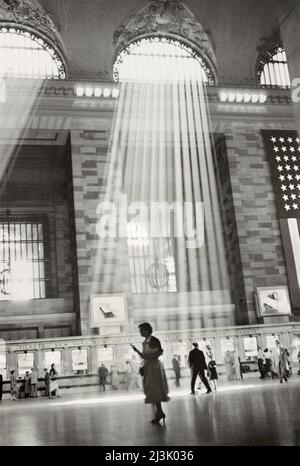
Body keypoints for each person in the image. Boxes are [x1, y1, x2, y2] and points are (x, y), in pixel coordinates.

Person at [131, 322, 169, 425]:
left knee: (154, 389)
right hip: (149, 367)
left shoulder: (153, 340)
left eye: (141, 330)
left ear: (146, 330)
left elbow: (158, 352)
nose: (140, 332)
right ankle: (159, 412)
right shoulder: (146, 342)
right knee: (151, 389)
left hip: (154, 367)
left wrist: (143, 355)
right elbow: (145, 356)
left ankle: (159, 413)